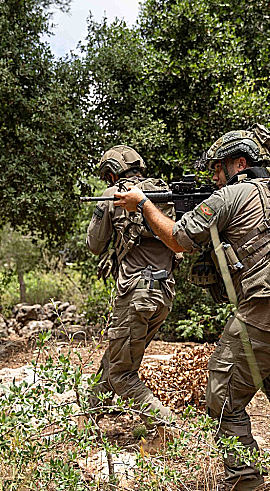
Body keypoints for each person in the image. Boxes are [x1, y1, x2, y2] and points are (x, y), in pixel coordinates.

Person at [113, 125, 270, 491]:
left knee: (221, 400)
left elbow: (177, 239)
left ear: (241, 162)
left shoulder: (233, 194)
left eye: (219, 169)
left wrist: (143, 204)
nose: (215, 178)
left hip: (265, 311)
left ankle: (245, 490)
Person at [86, 145, 179, 448]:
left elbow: (94, 244)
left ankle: (164, 425)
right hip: (163, 294)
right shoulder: (161, 193)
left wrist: (104, 205)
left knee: (121, 374)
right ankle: (88, 414)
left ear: (111, 173)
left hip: (136, 293)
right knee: (115, 355)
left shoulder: (116, 196)